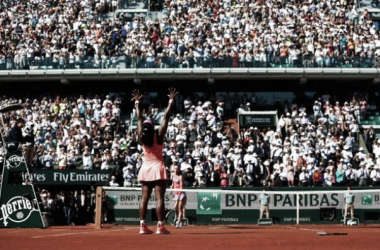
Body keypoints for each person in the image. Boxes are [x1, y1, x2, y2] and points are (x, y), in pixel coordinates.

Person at [132, 88, 177, 235]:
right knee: (159, 198)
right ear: (152, 126)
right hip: (157, 167)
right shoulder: (159, 135)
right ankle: (160, 226)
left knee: (144, 198)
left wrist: (138, 102)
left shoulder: (141, 137)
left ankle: (142, 226)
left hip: (145, 168)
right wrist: (170, 100)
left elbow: (138, 118)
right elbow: (166, 116)